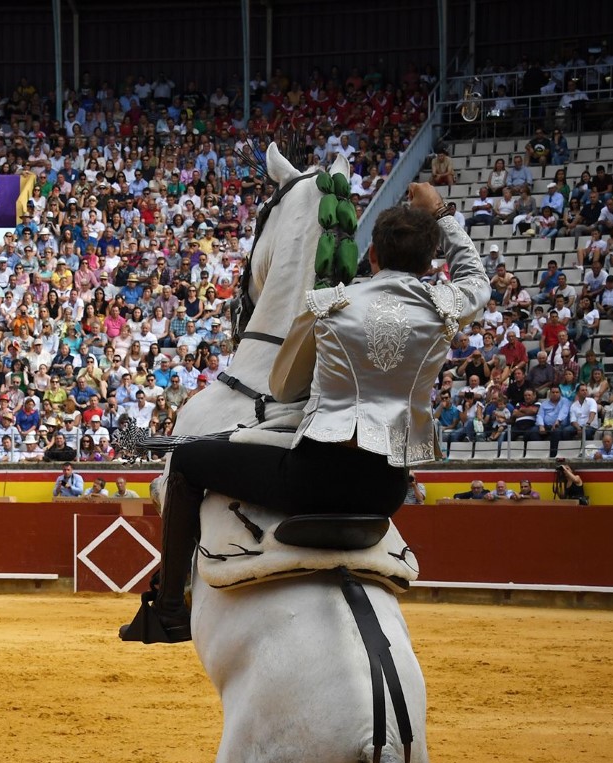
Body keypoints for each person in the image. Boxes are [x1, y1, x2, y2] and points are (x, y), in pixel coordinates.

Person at [121, 182, 489, 643]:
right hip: (388, 487)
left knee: (189, 462)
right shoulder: (446, 305)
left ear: (371, 254)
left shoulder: (330, 304)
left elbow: (284, 386)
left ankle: (170, 607)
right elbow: (476, 275)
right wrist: (442, 212)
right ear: (431, 262)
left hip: (313, 480)